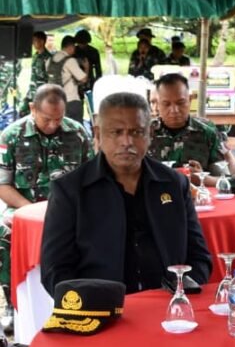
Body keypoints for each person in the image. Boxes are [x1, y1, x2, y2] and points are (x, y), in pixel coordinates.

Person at [40, 92, 211, 294]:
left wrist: (181, 292)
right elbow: (55, 270)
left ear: (150, 135)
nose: (126, 141)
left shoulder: (173, 183)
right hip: (100, 310)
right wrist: (91, 303)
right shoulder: (70, 190)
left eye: (136, 132)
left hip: (168, 307)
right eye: (116, 132)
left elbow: (199, 257)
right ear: (98, 135)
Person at [0, 85, 93, 303]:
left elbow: (90, 179)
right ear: (32, 108)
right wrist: (32, 210)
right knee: (3, 237)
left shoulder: (77, 133)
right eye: (46, 119)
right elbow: (3, 185)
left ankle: (82, 298)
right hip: (24, 207)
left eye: (58, 119)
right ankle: (16, 303)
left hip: (69, 210)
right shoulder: (12, 136)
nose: (53, 125)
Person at [147, 73, 229, 184]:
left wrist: (202, 178)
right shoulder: (145, 133)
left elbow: (224, 180)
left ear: (190, 100)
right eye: (166, 104)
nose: (174, 110)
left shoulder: (207, 132)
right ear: (157, 103)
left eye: (180, 103)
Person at [46, 35, 88, 122]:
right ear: (71, 47)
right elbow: (83, 79)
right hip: (70, 101)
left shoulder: (49, 60)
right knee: (76, 128)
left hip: (54, 101)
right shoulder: (70, 61)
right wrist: (87, 67)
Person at [19, 31, 51, 117]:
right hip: (32, 91)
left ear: (42, 41)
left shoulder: (48, 58)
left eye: (35, 40)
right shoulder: (35, 56)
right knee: (22, 111)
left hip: (42, 92)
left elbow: (50, 78)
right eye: (32, 41)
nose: (33, 43)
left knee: (39, 116)